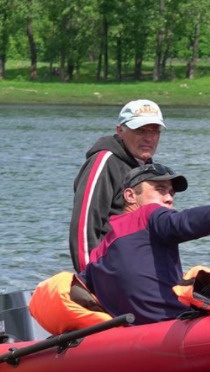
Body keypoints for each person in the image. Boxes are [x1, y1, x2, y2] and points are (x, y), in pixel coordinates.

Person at [79, 162, 210, 325]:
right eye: (160, 189)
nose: (169, 198)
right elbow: (182, 222)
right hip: (171, 326)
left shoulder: (98, 253)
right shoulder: (148, 215)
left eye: (171, 193)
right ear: (130, 195)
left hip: (132, 338)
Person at [68, 99, 166, 272]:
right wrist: (89, 279)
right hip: (109, 273)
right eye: (141, 130)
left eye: (154, 131)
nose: (148, 138)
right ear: (120, 130)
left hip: (137, 272)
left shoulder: (149, 169)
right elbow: (84, 225)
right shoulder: (104, 162)